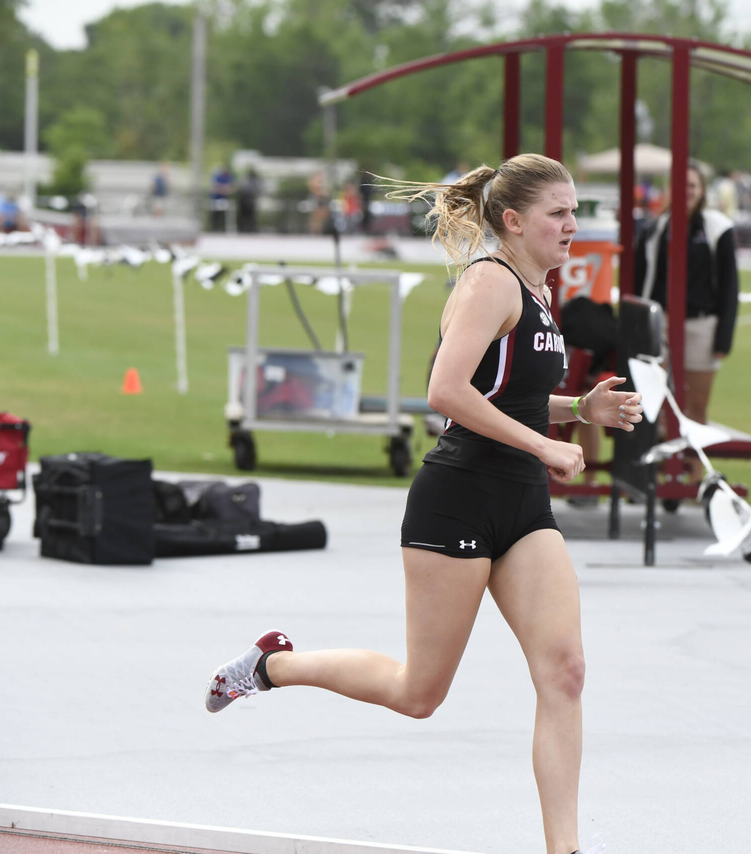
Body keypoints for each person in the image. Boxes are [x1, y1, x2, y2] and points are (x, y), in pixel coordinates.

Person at [203, 153, 642, 854]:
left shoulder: (538, 290)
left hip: (524, 507)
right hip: (458, 500)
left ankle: (566, 849)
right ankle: (269, 667)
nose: (573, 225)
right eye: (559, 213)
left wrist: (577, 410)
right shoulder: (488, 284)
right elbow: (446, 392)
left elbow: (508, 395)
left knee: (565, 671)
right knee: (419, 695)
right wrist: (546, 446)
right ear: (513, 220)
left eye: (575, 211)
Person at [632, 164, 740, 480]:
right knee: (659, 402)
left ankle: (695, 475)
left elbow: (731, 286)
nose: (687, 192)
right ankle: (664, 471)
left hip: (702, 325)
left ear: (702, 190)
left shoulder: (718, 228)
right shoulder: (656, 228)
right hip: (661, 322)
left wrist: (724, 339)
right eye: (681, 186)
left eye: (693, 186)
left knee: (696, 404)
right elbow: (641, 279)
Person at [235, 166, 261, 234]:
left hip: (250, 200)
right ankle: (241, 228)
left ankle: (250, 228)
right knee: (243, 215)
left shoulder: (254, 180)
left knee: (250, 216)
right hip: (244, 200)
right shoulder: (245, 179)